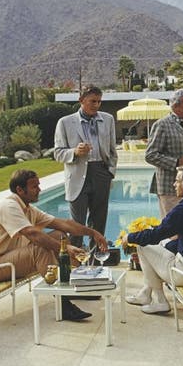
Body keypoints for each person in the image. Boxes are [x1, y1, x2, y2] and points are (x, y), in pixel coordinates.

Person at [0, 169, 108, 321]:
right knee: (39, 248)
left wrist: (93, 233)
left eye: (38, 185)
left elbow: (64, 224)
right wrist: (65, 248)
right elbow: (33, 234)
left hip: (7, 259)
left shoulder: (28, 209)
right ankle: (63, 306)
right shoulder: (8, 206)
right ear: (20, 189)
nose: (39, 190)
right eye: (34, 187)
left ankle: (73, 286)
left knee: (59, 235)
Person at [122, 165, 183, 314]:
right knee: (163, 245)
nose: (174, 184)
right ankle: (145, 293)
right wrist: (166, 246)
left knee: (143, 246)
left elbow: (155, 235)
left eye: (177, 181)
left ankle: (160, 301)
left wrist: (129, 237)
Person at [52, 85, 118, 248]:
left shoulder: (108, 119)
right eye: (92, 101)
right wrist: (75, 151)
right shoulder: (65, 122)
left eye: (99, 102)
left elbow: (112, 150)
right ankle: (75, 264)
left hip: (101, 173)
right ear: (81, 100)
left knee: (99, 221)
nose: (96, 105)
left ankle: (96, 262)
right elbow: (58, 153)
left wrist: (110, 172)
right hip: (77, 175)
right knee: (77, 225)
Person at [145, 89, 183, 217]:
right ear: (176, 106)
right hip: (169, 188)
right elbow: (150, 155)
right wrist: (177, 162)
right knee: (172, 231)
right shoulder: (162, 125)